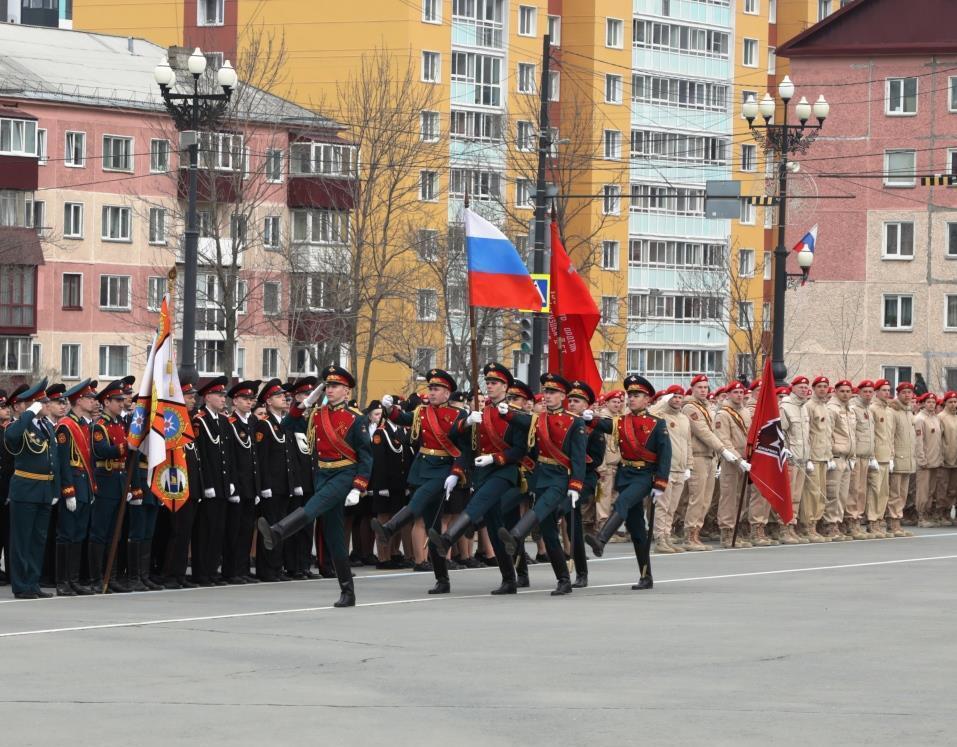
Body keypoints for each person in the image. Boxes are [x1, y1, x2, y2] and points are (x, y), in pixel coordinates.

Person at [258, 365, 372, 608]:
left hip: (344, 473)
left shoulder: (356, 419)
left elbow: (366, 456)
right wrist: (302, 405)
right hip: (323, 474)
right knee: (334, 538)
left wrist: (358, 486)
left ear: (347, 391)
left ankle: (278, 531)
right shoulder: (317, 415)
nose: (330, 390)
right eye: (328, 386)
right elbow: (287, 425)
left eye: (335, 386)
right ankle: (347, 592)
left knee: (314, 506)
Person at [429, 363, 530, 594]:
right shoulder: (481, 413)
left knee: (479, 503)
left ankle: (448, 539)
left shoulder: (515, 414)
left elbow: (520, 450)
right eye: (488, 383)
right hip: (482, 472)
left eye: (495, 383)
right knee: (495, 528)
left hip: (504, 471)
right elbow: (455, 437)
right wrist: (467, 422)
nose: (490, 386)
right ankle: (509, 579)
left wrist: (495, 458)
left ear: (506, 386)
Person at [373, 369, 469, 595]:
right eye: (431, 388)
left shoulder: (458, 416)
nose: (432, 392)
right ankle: (442, 579)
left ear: (447, 393)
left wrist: (456, 472)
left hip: (442, 470)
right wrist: (389, 409)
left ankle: (389, 529)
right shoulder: (421, 412)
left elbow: (465, 450)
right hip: (422, 468)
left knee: (418, 500)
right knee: (433, 528)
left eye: (436, 389)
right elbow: (401, 419)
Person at [497, 373, 586, 596]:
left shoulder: (575, 422)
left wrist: (576, 485)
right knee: (548, 532)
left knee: (543, 507)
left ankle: (516, 534)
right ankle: (563, 579)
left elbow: (578, 458)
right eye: (545, 391)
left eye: (552, 392)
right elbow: (520, 419)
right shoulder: (538, 419)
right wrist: (505, 412)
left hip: (560, 478)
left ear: (563, 396)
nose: (547, 396)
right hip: (542, 476)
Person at [584, 374, 671, 590]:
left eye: (637, 395)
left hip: (644, 477)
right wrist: (588, 418)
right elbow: (603, 424)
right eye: (630, 395)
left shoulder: (657, 424)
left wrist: (660, 483)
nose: (631, 399)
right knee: (637, 529)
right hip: (626, 476)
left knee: (621, 503)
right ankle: (646, 575)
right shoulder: (621, 421)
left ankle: (601, 540)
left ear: (648, 399)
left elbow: (665, 454)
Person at [4, 379, 60, 599]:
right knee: (22, 540)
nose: (47, 405)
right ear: (32, 404)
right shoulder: (19, 425)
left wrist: (55, 490)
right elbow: (11, 437)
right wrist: (28, 414)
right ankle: (21, 585)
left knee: (38, 539)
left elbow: (53, 459)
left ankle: (33, 582)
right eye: (42, 402)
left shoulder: (46, 426)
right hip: (25, 489)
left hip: (44, 489)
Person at [681, 374, 743, 551]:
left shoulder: (707, 407)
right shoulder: (690, 408)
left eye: (706, 387)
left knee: (706, 499)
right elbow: (703, 432)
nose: (703, 390)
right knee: (697, 498)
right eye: (700, 387)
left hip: (710, 456)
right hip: (698, 455)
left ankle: (696, 533)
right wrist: (723, 449)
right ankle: (689, 534)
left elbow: (712, 432)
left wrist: (720, 451)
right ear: (692, 389)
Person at [54, 379, 98, 596]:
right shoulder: (66, 426)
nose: (93, 401)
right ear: (79, 400)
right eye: (90, 398)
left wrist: (90, 488)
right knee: (66, 534)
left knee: (79, 534)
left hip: (85, 485)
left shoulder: (84, 425)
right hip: (72, 484)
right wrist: (68, 490)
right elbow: (63, 462)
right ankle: (62, 581)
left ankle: (73, 579)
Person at [90, 379, 133, 593]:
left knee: (115, 531)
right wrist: (126, 446)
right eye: (117, 400)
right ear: (106, 402)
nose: (121, 403)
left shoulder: (119, 424)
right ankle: (97, 577)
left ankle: (112, 576)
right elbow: (102, 450)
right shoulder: (100, 425)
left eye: (122, 399)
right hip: (105, 479)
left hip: (119, 480)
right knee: (101, 532)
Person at [191, 376, 234, 586]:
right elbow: (202, 455)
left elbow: (228, 454)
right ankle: (202, 572)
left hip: (223, 484)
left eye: (224, 395)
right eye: (219, 395)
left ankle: (212, 570)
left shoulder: (224, 421)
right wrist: (207, 483)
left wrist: (230, 481)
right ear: (207, 397)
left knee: (218, 529)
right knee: (205, 530)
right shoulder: (200, 421)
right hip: (209, 485)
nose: (223, 399)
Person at [254, 379, 298, 582]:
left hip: (284, 485)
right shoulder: (264, 425)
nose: (285, 399)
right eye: (280, 396)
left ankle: (277, 567)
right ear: (269, 402)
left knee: (281, 527)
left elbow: (289, 456)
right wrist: (264, 486)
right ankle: (267, 569)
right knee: (269, 527)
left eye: (284, 396)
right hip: (271, 487)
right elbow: (261, 459)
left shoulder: (284, 423)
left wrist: (293, 482)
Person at [563, 379, 604, 587]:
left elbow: (597, 459)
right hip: (562, 476)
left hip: (585, 478)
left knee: (573, 521)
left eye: (577, 401)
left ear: (586, 405)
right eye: (570, 400)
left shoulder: (592, 428)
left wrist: (576, 458)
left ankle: (581, 571)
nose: (572, 404)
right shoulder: (562, 422)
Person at [162, 378, 202, 588]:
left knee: (186, 531)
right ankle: (170, 574)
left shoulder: (188, 421)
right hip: (176, 485)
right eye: (188, 396)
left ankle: (179, 573)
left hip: (191, 485)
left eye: (193, 396)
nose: (193, 400)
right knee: (177, 531)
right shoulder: (173, 422)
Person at [224, 380, 261, 584]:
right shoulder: (231, 424)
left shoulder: (251, 423)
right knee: (234, 530)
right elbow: (229, 457)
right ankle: (232, 570)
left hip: (250, 485)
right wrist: (231, 483)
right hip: (237, 484)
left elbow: (254, 457)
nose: (249, 402)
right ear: (235, 401)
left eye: (251, 399)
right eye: (245, 399)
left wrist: (257, 485)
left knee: (247, 529)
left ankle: (243, 569)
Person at [649, 384, 691, 552]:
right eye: (674, 396)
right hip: (666, 468)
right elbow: (650, 412)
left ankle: (667, 536)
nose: (677, 400)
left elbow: (688, 443)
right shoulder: (661, 415)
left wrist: (689, 465)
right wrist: (663, 400)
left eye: (680, 397)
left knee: (672, 507)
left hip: (680, 469)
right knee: (662, 505)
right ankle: (659, 538)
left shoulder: (684, 418)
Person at [779, 376, 812, 544]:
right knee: (789, 495)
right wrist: (785, 450)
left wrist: (809, 457)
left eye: (806, 387)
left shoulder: (804, 407)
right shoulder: (786, 407)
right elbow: (781, 433)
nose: (804, 389)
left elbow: (807, 435)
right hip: (791, 458)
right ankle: (784, 528)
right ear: (793, 388)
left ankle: (792, 525)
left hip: (802, 458)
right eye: (800, 387)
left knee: (797, 496)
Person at [801, 376, 834, 542]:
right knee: (811, 493)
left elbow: (828, 434)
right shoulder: (809, 406)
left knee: (821, 493)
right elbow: (806, 433)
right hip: (813, 456)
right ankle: (808, 525)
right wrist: (807, 457)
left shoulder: (825, 407)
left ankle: (816, 523)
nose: (823, 389)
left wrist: (830, 455)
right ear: (813, 388)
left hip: (823, 456)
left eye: (825, 386)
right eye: (819, 386)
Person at [823, 379, 857, 541]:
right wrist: (829, 456)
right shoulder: (832, 409)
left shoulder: (849, 409)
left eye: (848, 391)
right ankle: (830, 524)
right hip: (836, 456)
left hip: (847, 456)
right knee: (833, 493)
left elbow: (852, 435)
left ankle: (838, 521)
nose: (845, 394)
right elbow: (828, 433)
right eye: (842, 391)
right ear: (835, 392)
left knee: (843, 494)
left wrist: (853, 456)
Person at [846, 381, 878, 540]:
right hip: (856, 456)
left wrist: (872, 456)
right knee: (854, 490)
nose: (868, 394)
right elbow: (851, 433)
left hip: (866, 456)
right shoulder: (853, 409)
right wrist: (852, 455)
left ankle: (857, 518)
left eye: (870, 391)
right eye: (865, 391)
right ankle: (852, 521)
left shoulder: (868, 410)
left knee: (862, 491)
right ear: (858, 392)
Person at [867, 379, 896, 538]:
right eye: (883, 390)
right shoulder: (872, 409)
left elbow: (890, 436)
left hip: (886, 456)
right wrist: (872, 456)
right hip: (876, 456)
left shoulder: (889, 411)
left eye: (888, 390)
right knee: (875, 490)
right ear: (876, 392)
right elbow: (871, 434)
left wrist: (891, 456)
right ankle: (872, 521)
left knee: (884, 492)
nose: (887, 393)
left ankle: (879, 518)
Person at [887, 381, 916, 537]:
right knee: (894, 493)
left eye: (909, 393)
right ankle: (892, 522)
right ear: (898, 394)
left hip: (909, 460)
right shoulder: (894, 411)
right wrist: (891, 457)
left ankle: (898, 519)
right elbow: (890, 437)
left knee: (903, 493)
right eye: (904, 392)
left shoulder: (909, 412)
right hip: (898, 458)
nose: (907, 395)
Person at [595, 389, 624, 536]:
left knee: (613, 497)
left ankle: (609, 529)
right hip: (605, 465)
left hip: (617, 465)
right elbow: (601, 446)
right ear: (606, 403)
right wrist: (601, 467)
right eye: (614, 402)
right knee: (603, 498)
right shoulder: (603, 419)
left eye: (619, 402)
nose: (617, 404)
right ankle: (602, 526)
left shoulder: (618, 418)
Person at [914, 392, 943, 527]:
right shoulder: (920, 419)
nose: (931, 404)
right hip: (925, 462)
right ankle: (921, 516)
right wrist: (921, 459)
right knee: (923, 490)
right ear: (923, 403)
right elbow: (918, 441)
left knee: (931, 490)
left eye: (933, 402)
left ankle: (927, 513)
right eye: (928, 402)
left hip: (935, 460)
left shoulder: (936, 418)